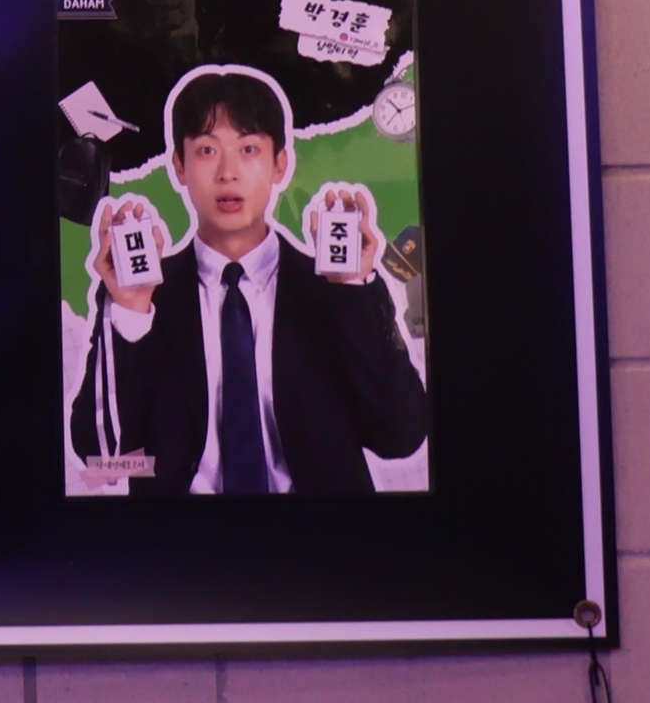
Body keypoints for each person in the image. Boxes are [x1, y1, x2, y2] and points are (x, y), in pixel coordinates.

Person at [67, 66, 424, 497]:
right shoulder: (145, 297)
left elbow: (400, 437)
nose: (228, 172)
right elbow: (101, 460)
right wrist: (128, 314)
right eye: (206, 150)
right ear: (178, 167)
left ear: (280, 165)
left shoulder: (332, 292)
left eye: (249, 148)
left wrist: (353, 288)